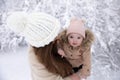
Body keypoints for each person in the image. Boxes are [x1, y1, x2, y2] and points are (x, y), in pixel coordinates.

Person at [6, 12, 81, 80]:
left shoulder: (53, 40)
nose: (59, 36)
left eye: (57, 31)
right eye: (55, 36)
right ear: (46, 45)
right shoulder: (37, 60)